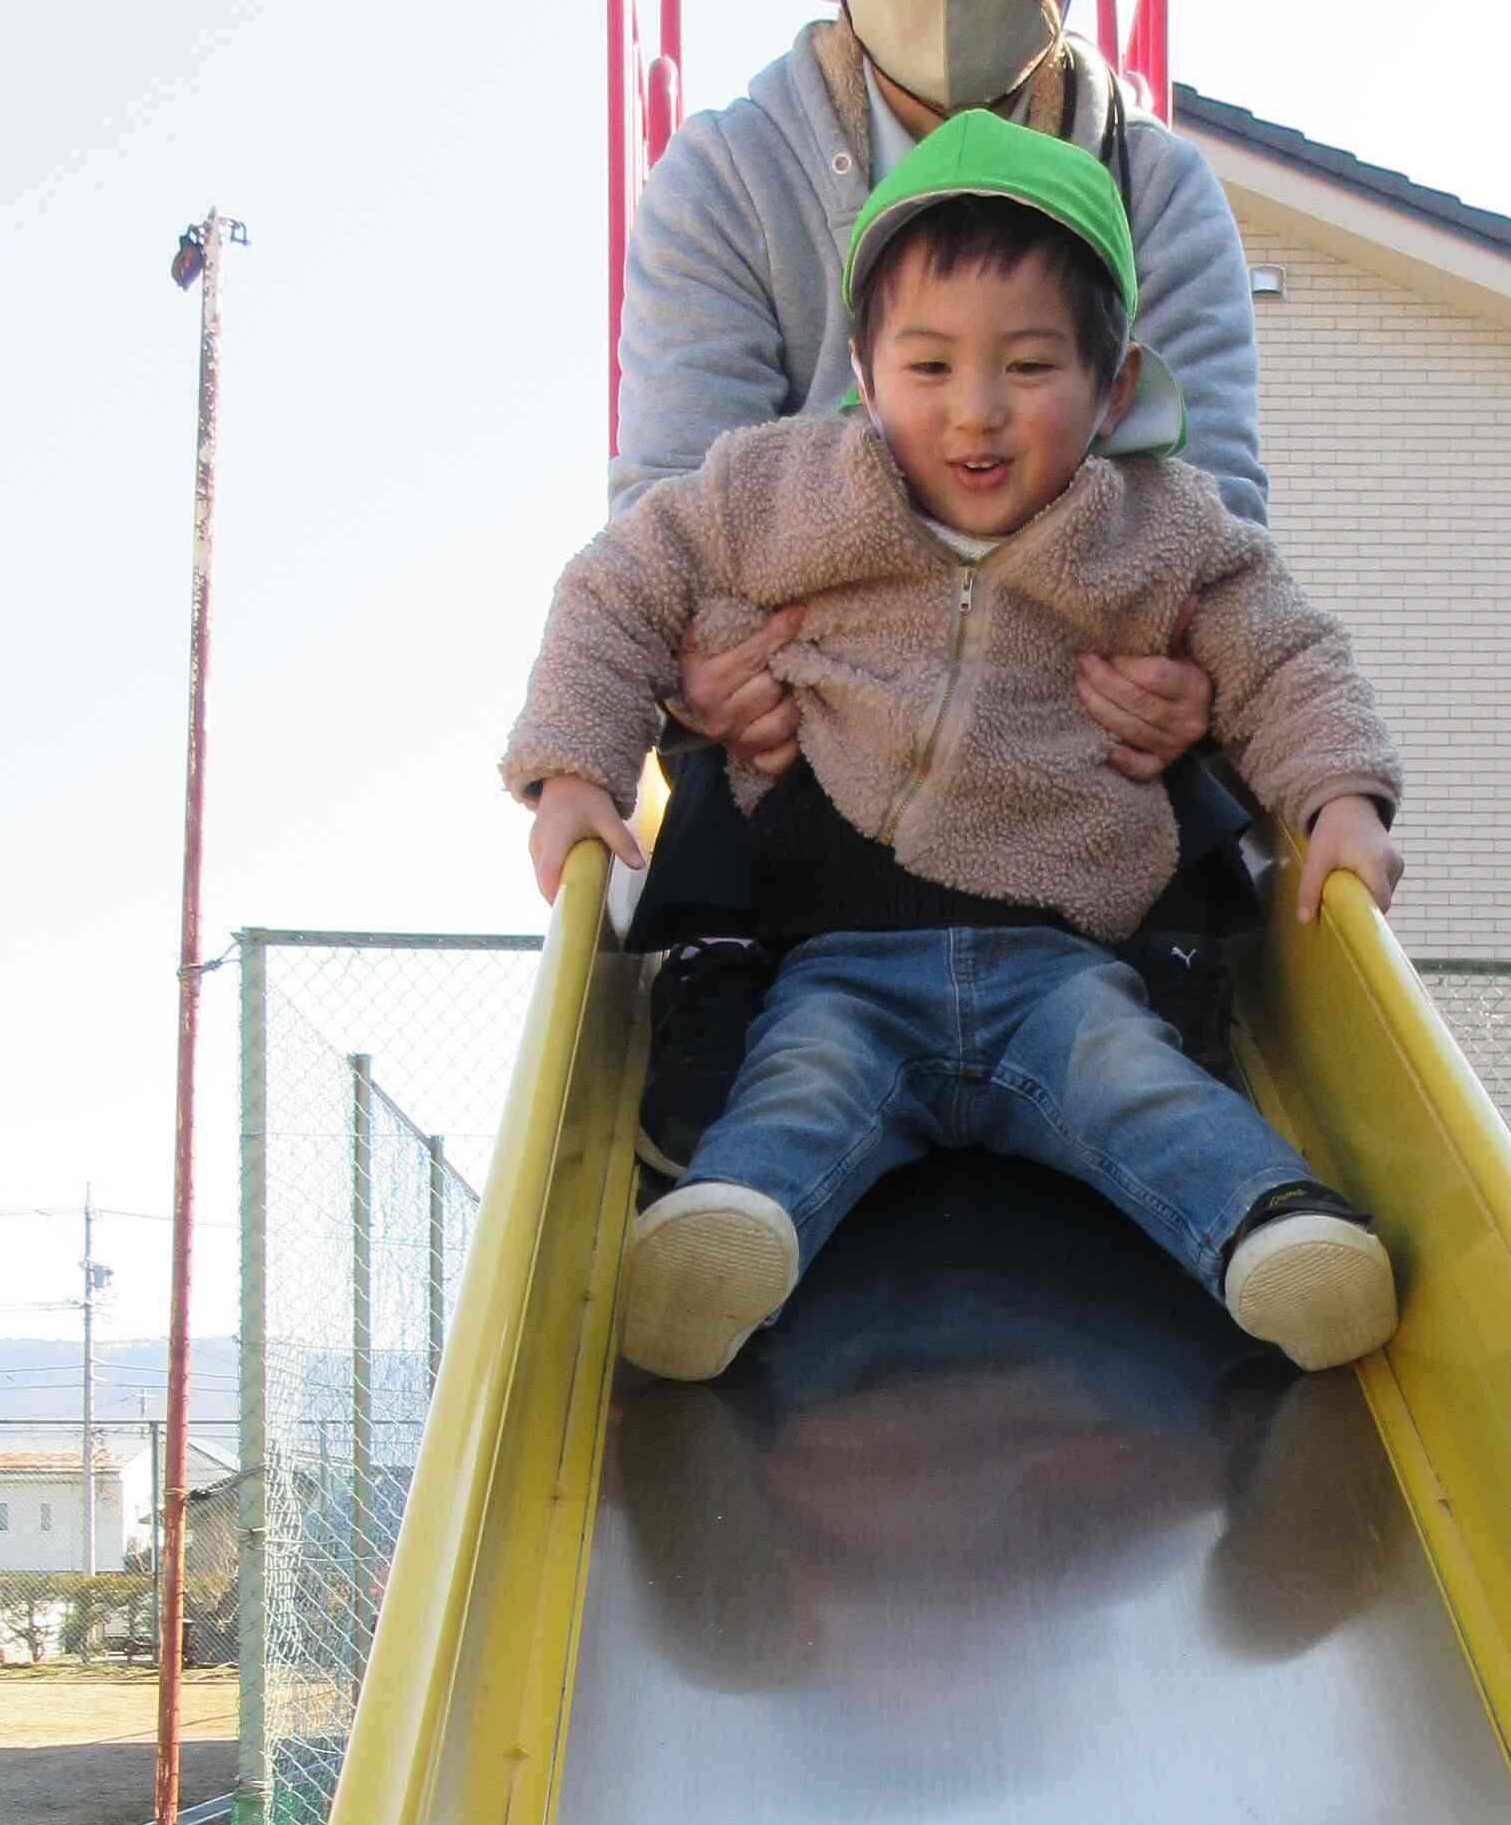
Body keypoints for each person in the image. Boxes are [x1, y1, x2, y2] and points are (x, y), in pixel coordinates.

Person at [503, 112, 1405, 1383]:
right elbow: (618, 588)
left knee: (1132, 1080)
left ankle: (1273, 1233)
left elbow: (1284, 652)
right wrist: (573, 767)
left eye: (1029, 368)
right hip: (839, 955)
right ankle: (726, 1243)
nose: (974, 414)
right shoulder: (782, 494)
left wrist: (1340, 799)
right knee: (799, 1085)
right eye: (927, 369)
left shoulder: (1156, 528)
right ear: (864, 375)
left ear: (1113, 386)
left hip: (1062, 956)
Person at [612, 0, 1266, 1168]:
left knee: (1180, 733)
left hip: (1063, 723)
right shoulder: (731, 179)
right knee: (723, 703)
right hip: (829, 725)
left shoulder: (1153, 192)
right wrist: (728, 665)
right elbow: (668, 505)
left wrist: (1188, 674)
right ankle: (730, 969)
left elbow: (1215, 504)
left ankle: (1155, 970)